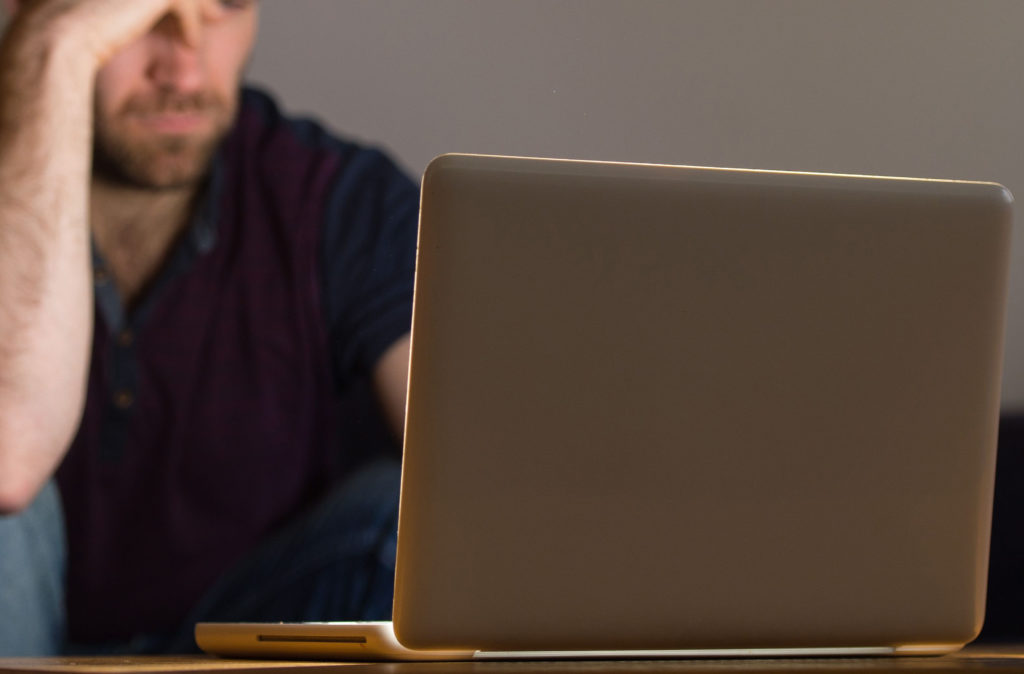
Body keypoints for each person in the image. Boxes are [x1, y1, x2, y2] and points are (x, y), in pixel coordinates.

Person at [0, 0, 418, 655]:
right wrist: (55, 49)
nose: (184, 70)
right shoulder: (51, 42)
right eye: (135, 8)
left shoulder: (338, 200)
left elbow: (489, 483)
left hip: (233, 647)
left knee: (417, 514)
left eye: (222, 6)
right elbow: (8, 456)